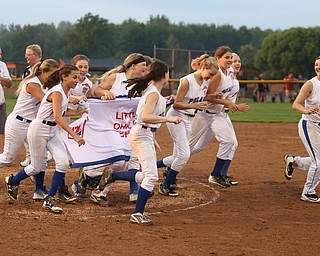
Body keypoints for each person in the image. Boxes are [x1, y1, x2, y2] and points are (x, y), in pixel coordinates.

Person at [99, 60, 181, 224]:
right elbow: (145, 117)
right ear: (165, 76)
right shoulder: (152, 93)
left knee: (148, 175)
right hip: (141, 134)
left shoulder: (153, 91)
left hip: (144, 134)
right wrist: (169, 119)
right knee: (151, 177)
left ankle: (114, 176)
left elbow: (147, 117)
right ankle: (137, 213)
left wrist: (153, 137)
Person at [5, 65, 87, 213]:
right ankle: (13, 180)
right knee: (36, 167)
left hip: (52, 130)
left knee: (63, 162)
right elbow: (57, 116)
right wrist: (74, 135)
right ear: (64, 77)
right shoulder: (57, 92)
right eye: (74, 77)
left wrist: (81, 111)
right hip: (39, 129)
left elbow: (62, 112)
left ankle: (50, 199)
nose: (77, 80)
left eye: (78, 77)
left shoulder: (65, 92)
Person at [73, 53, 148, 205]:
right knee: (115, 159)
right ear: (133, 65)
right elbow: (97, 91)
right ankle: (86, 175)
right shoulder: (116, 77)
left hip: (127, 126)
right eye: (143, 66)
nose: (145, 69)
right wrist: (105, 92)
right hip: (109, 125)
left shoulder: (142, 83)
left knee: (127, 160)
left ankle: (102, 192)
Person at [156, 53, 220, 196]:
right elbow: (177, 104)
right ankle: (165, 185)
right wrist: (196, 105)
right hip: (177, 118)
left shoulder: (204, 82)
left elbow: (200, 97)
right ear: (203, 67)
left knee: (177, 156)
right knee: (184, 154)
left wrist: (213, 97)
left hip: (189, 119)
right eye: (210, 74)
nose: (210, 78)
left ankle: (149, 167)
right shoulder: (187, 81)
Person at [189, 47, 248, 187]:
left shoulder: (230, 76)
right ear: (218, 58)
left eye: (236, 60)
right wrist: (228, 103)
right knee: (189, 147)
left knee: (230, 142)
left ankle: (218, 174)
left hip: (218, 115)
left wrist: (229, 104)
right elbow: (207, 97)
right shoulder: (218, 75)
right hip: (204, 115)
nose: (234, 62)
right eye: (230, 59)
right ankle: (167, 166)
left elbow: (226, 96)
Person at [0, 59, 59, 187]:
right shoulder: (33, 83)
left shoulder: (48, 85)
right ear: (43, 72)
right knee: (7, 158)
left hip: (32, 125)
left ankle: (39, 190)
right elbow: (46, 100)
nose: (55, 77)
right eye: (52, 74)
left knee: (42, 157)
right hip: (18, 123)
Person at [290, 56, 320, 203]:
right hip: (309, 125)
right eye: (316, 65)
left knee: (318, 159)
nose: (318, 67)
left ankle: (295, 162)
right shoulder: (311, 84)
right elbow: (296, 104)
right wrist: (306, 110)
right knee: (319, 162)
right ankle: (308, 192)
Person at [20, 44, 42, 167]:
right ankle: (30, 156)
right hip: (30, 106)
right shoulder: (27, 70)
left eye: (29, 54)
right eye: (26, 54)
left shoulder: (45, 68)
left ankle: (39, 156)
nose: (26, 57)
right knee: (25, 131)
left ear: (37, 55)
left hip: (41, 104)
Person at [0, 47, 12, 149]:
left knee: (3, 129)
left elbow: (9, 84)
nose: (0, 56)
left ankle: (4, 151)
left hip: (1, 102)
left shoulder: (2, 65)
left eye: (0, 54)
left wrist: (0, 78)